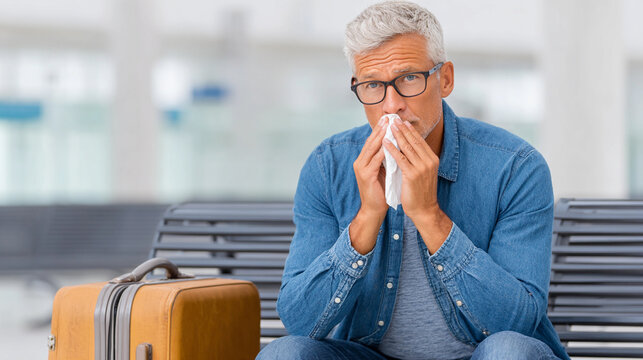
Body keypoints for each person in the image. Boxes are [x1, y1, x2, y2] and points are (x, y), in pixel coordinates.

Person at [257, 1, 569, 359]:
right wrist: (366, 220)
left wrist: (429, 215)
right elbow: (301, 322)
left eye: (408, 79)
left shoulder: (516, 167)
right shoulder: (328, 166)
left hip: (482, 354)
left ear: (445, 78)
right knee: (284, 354)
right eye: (373, 85)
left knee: (509, 351)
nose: (391, 106)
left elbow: (516, 321)